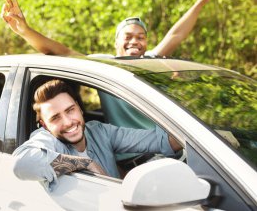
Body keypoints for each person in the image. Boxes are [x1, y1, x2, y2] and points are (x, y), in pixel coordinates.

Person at [0, 0, 219, 58]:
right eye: (128, 37)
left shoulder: (150, 60)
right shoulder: (107, 64)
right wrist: (25, 31)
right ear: (115, 42)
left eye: (141, 37)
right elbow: (61, 51)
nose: (135, 41)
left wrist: (200, 2)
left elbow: (175, 36)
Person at [12, 79, 182, 190]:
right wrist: (83, 164)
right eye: (55, 118)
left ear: (79, 108)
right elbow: (20, 164)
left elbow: (160, 140)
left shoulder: (99, 131)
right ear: (45, 126)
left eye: (70, 110)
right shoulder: (48, 139)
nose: (68, 122)